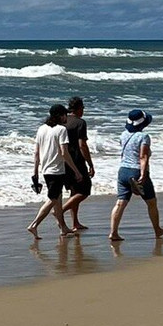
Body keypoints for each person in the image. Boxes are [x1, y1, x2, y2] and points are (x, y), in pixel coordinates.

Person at [109, 109, 163, 241]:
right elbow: (143, 157)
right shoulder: (144, 137)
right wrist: (143, 174)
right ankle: (157, 230)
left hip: (123, 171)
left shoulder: (123, 135)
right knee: (152, 202)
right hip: (136, 171)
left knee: (120, 202)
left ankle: (113, 232)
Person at [27, 104, 83, 239]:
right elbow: (64, 153)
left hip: (46, 170)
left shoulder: (41, 129)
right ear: (60, 116)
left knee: (58, 200)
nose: (67, 117)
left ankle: (63, 228)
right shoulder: (61, 130)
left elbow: (36, 153)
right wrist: (76, 171)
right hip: (56, 170)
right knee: (53, 199)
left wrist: (35, 172)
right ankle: (34, 225)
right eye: (65, 114)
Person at [62, 96, 95, 230]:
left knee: (74, 192)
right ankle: (61, 211)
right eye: (83, 108)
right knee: (84, 190)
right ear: (79, 108)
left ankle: (75, 223)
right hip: (76, 160)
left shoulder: (62, 122)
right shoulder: (80, 123)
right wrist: (90, 164)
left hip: (63, 160)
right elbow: (82, 145)